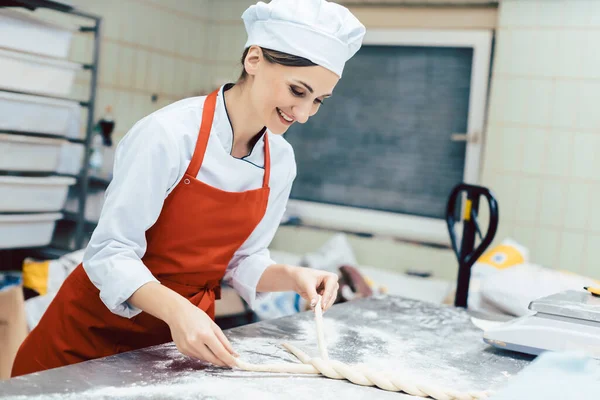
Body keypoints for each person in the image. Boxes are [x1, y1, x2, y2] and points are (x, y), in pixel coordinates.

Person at [11, 0, 365, 376]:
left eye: (318, 102)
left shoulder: (280, 161)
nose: (305, 113)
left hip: (174, 347)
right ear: (255, 60)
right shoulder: (168, 134)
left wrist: (293, 277)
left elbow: (243, 260)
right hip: (86, 338)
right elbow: (109, 253)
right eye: (298, 91)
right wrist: (178, 310)